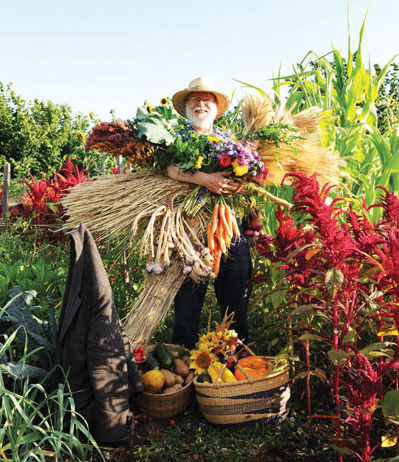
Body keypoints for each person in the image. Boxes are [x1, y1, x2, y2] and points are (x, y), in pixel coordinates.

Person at [167, 77, 253, 349]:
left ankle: (237, 355)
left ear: (216, 108)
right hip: (188, 231)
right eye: (195, 99)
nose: (201, 104)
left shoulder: (231, 142)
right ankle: (184, 362)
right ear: (187, 107)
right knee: (187, 304)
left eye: (207, 100)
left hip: (227, 228)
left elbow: (248, 179)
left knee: (236, 291)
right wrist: (204, 179)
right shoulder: (176, 138)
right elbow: (167, 169)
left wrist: (241, 184)